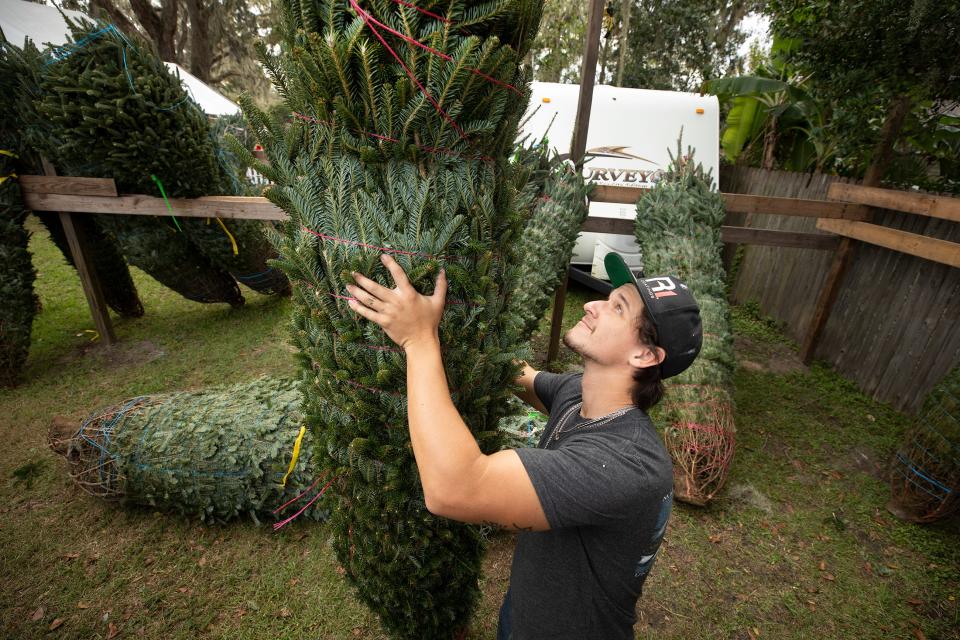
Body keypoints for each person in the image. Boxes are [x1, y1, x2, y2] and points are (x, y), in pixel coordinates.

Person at [346, 250, 702, 640]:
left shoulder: (626, 465)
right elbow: (520, 374)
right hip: (523, 616)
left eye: (617, 307)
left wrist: (419, 339)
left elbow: (454, 489)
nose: (592, 304)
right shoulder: (578, 394)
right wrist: (460, 322)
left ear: (645, 354)